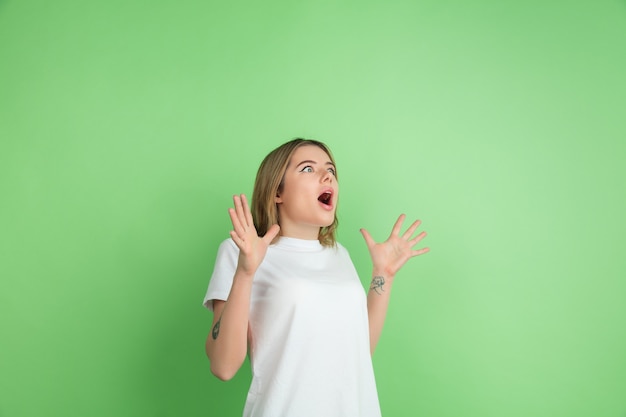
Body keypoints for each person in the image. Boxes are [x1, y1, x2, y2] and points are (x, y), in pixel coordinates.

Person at [203, 138, 429, 417]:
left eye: (331, 170)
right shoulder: (240, 251)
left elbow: (357, 354)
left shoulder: (339, 255)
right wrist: (246, 272)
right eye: (308, 169)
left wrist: (383, 275)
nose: (326, 176)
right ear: (277, 192)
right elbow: (223, 366)